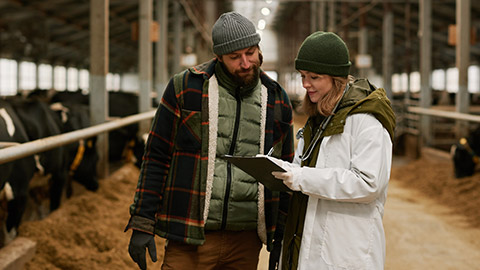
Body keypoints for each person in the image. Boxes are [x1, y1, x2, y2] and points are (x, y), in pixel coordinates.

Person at [126, 11, 294, 270]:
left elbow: (284, 170)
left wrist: (280, 233)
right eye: (234, 57)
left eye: (250, 52)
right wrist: (142, 220)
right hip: (190, 235)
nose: (246, 63)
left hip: (246, 239)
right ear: (218, 57)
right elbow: (157, 155)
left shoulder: (277, 98)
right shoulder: (186, 88)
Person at [268, 31, 396, 269]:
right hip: (311, 241)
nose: (305, 84)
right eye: (303, 75)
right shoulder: (319, 119)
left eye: (314, 77)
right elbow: (304, 168)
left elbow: (368, 183)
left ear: (337, 78)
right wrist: (282, 170)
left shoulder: (366, 120)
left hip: (346, 251)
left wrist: (301, 177)